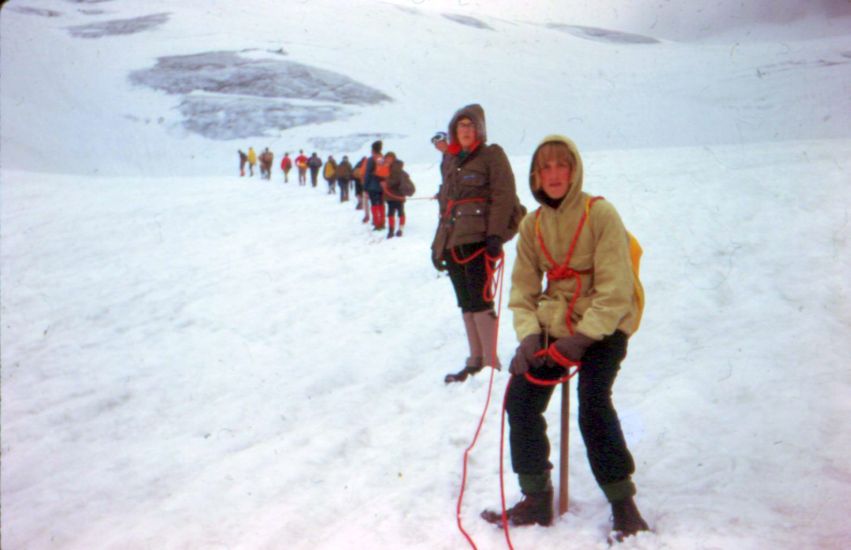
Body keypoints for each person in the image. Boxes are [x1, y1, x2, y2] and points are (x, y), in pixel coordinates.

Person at [480, 136, 649, 542]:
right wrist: (528, 339)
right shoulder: (531, 225)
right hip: (554, 325)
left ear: (574, 170)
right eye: (545, 168)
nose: (554, 174)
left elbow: (616, 288)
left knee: (592, 402)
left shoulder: (600, 213)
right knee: (519, 400)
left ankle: (624, 505)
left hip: (606, 324)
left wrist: (584, 337)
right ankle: (536, 499)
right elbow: (521, 293)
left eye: (562, 165)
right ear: (536, 176)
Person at [430, 104, 524, 383]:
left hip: (479, 240)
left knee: (481, 299)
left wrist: (494, 236)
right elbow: (446, 204)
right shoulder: (450, 160)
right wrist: (437, 247)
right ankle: (475, 360)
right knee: (466, 301)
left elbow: (504, 195)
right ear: (454, 131)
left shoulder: (492, 155)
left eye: (471, 126)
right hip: (452, 241)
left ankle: (490, 361)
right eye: (462, 126)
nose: (467, 131)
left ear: (480, 130)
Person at [381, 151, 409, 238]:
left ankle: (400, 229)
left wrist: (386, 183)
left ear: (393, 159)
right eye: (386, 158)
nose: (387, 160)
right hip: (390, 196)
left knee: (400, 212)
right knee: (390, 213)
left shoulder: (396, 168)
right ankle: (391, 230)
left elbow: (395, 180)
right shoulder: (386, 168)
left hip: (398, 194)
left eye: (389, 158)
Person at [364, 141, 386, 230]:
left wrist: (365, 187)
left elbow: (368, 174)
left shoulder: (371, 159)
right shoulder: (383, 158)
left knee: (374, 205)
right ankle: (382, 222)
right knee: (381, 204)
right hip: (382, 186)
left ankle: (377, 223)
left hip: (372, 186)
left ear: (373, 149)